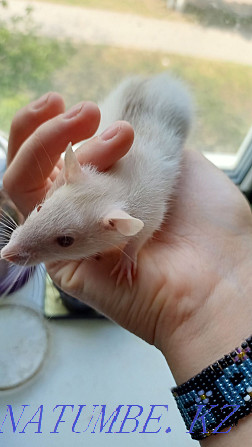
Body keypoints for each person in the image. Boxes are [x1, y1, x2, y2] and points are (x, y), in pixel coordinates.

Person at [3, 92, 252, 446]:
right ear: (72, 173)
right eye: (40, 210)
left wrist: (131, 253)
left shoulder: (134, 213)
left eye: (64, 242)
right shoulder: (97, 200)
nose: (13, 250)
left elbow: (144, 223)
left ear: (115, 226)